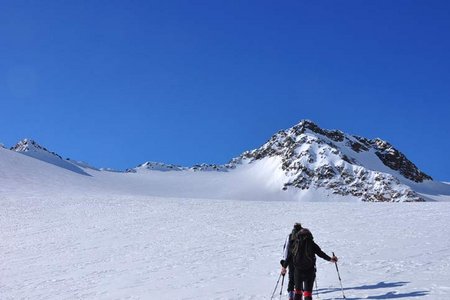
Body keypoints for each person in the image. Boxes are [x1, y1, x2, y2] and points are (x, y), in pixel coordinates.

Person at [281, 228, 337, 300]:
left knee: (298, 293)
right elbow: (321, 254)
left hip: (298, 272)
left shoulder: (295, 244)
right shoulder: (312, 244)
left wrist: (284, 267)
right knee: (308, 293)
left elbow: (289, 257)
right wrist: (331, 259)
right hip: (309, 272)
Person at [280, 223, 303, 300]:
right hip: (301, 260)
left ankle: (290, 295)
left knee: (291, 278)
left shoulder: (290, 236)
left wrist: (285, 262)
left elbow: (286, 248)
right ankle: (299, 294)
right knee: (300, 278)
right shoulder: (303, 235)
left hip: (291, 260)